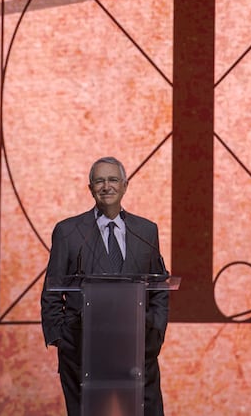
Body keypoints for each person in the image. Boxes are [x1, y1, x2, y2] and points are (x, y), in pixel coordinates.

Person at [41, 156, 169, 416]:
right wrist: (63, 339)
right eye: (99, 181)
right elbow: (51, 292)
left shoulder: (146, 231)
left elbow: (159, 287)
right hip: (83, 351)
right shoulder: (68, 231)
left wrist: (155, 327)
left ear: (125, 185)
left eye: (113, 179)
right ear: (90, 188)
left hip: (137, 350)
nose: (106, 186)